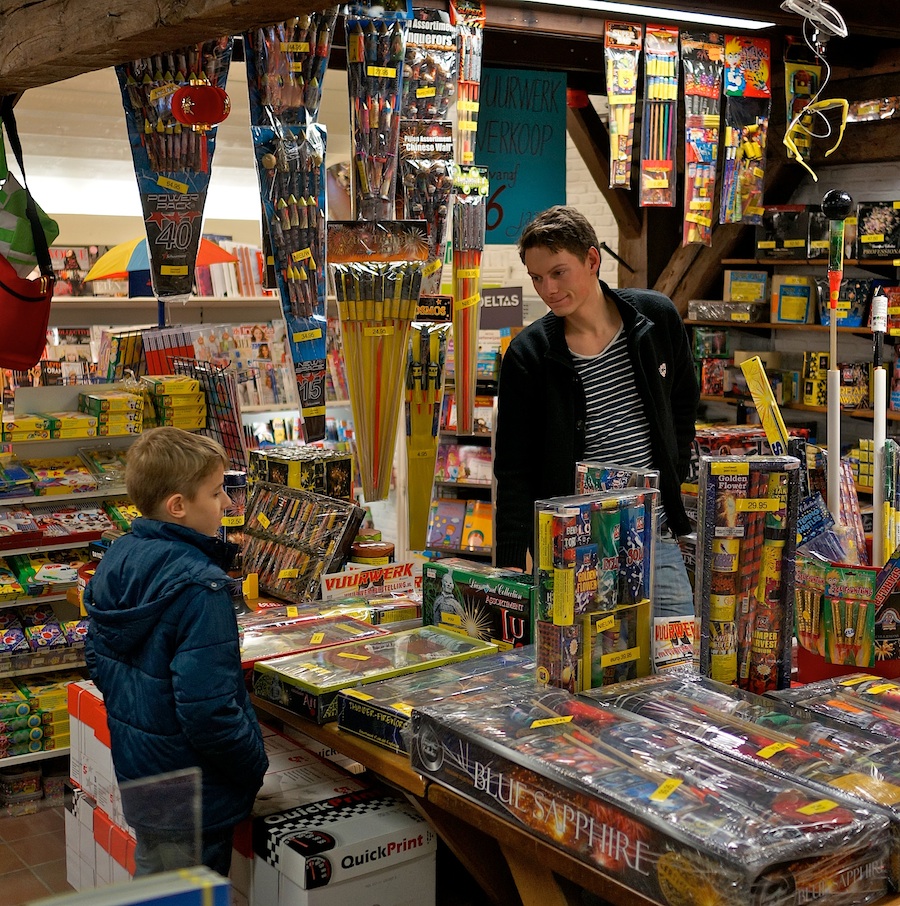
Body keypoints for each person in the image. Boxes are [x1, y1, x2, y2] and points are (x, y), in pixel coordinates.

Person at [494, 206, 699, 618]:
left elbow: (683, 406)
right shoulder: (527, 355)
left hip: (653, 535)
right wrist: (511, 564)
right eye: (537, 278)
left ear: (592, 259)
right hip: (573, 549)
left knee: (675, 652)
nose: (548, 289)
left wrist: (671, 479)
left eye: (558, 272)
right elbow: (514, 469)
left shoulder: (656, 318)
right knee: (585, 658)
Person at [84, 427, 269, 877]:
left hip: (143, 770)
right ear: (178, 506)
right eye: (216, 492)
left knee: (159, 877)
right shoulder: (201, 586)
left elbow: (97, 659)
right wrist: (254, 764)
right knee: (183, 888)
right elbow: (209, 712)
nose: (227, 503)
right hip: (194, 788)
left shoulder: (118, 557)